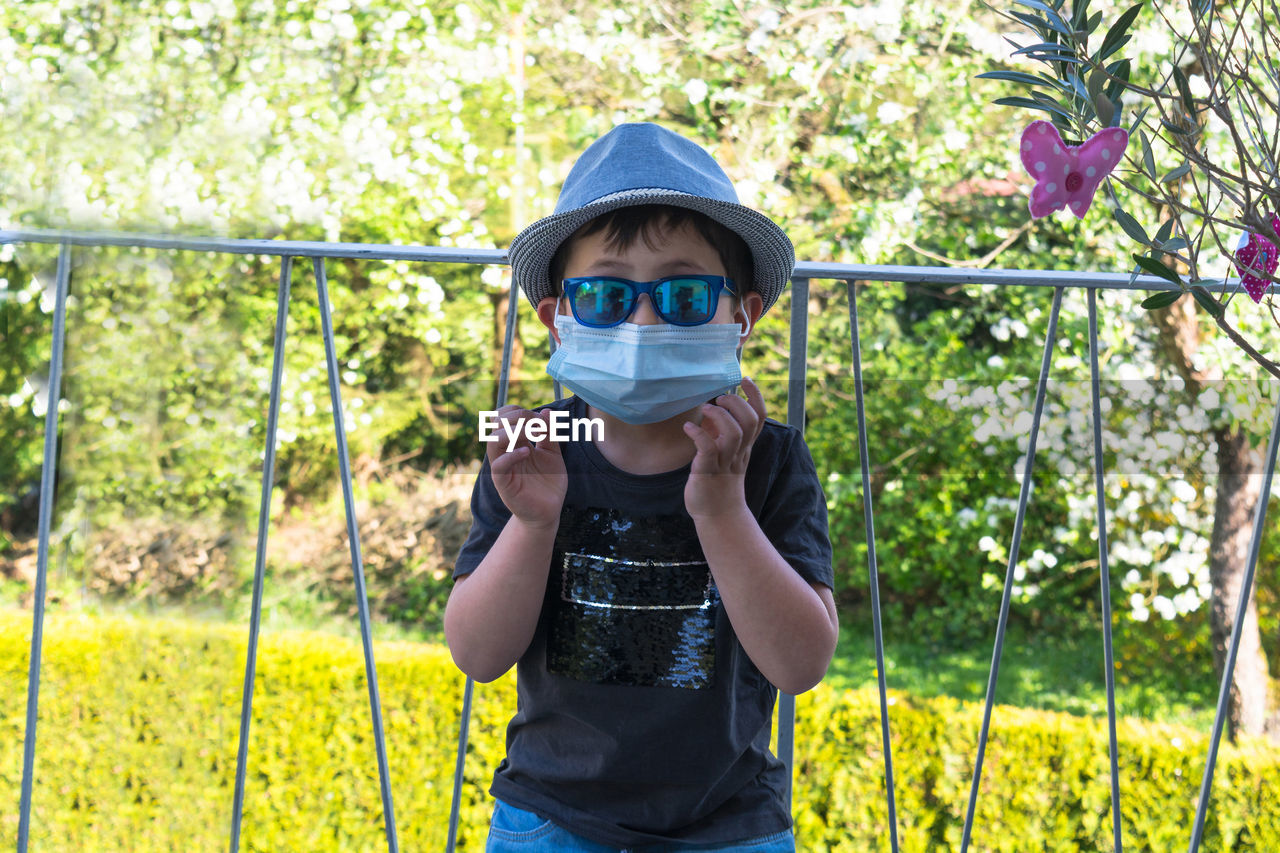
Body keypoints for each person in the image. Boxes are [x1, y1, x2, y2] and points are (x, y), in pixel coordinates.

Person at [445, 122, 837, 852]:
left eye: (686, 297)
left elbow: (800, 663)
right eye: (604, 296)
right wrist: (531, 524)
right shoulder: (535, 449)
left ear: (742, 314)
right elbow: (477, 654)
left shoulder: (771, 458)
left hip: (729, 826)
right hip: (550, 819)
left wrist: (722, 508)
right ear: (557, 320)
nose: (645, 320)